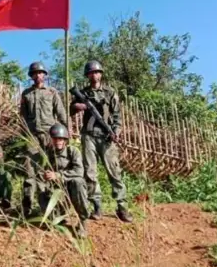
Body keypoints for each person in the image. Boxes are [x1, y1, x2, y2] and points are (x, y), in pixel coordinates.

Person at [70, 60, 133, 223]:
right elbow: (70, 109)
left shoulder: (110, 92)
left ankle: (122, 207)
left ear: (101, 74)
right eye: (91, 73)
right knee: (90, 172)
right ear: (87, 75)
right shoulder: (83, 93)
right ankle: (97, 206)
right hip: (89, 135)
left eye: (96, 72)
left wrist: (115, 132)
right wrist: (78, 106)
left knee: (114, 172)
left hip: (106, 136)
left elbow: (117, 115)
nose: (94, 75)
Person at [19, 61, 68, 216]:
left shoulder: (52, 92)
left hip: (49, 136)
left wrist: (67, 132)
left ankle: (49, 206)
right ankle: (26, 206)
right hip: (32, 136)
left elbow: (61, 113)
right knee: (29, 170)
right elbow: (22, 117)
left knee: (50, 169)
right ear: (31, 76)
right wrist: (24, 134)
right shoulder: (26, 94)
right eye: (35, 73)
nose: (38, 75)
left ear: (45, 75)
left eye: (40, 72)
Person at [27, 123, 89, 237]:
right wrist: (45, 176)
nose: (58, 141)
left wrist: (58, 175)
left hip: (72, 189)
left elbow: (79, 172)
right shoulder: (47, 154)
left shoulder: (73, 152)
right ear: (51, 139)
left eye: (61, 139)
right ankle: (58, 214)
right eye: (55, 139)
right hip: (56, 190)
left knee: (78, 182)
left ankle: (83, 221)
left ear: (65, 140)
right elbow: (40, 173)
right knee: (52, 220)